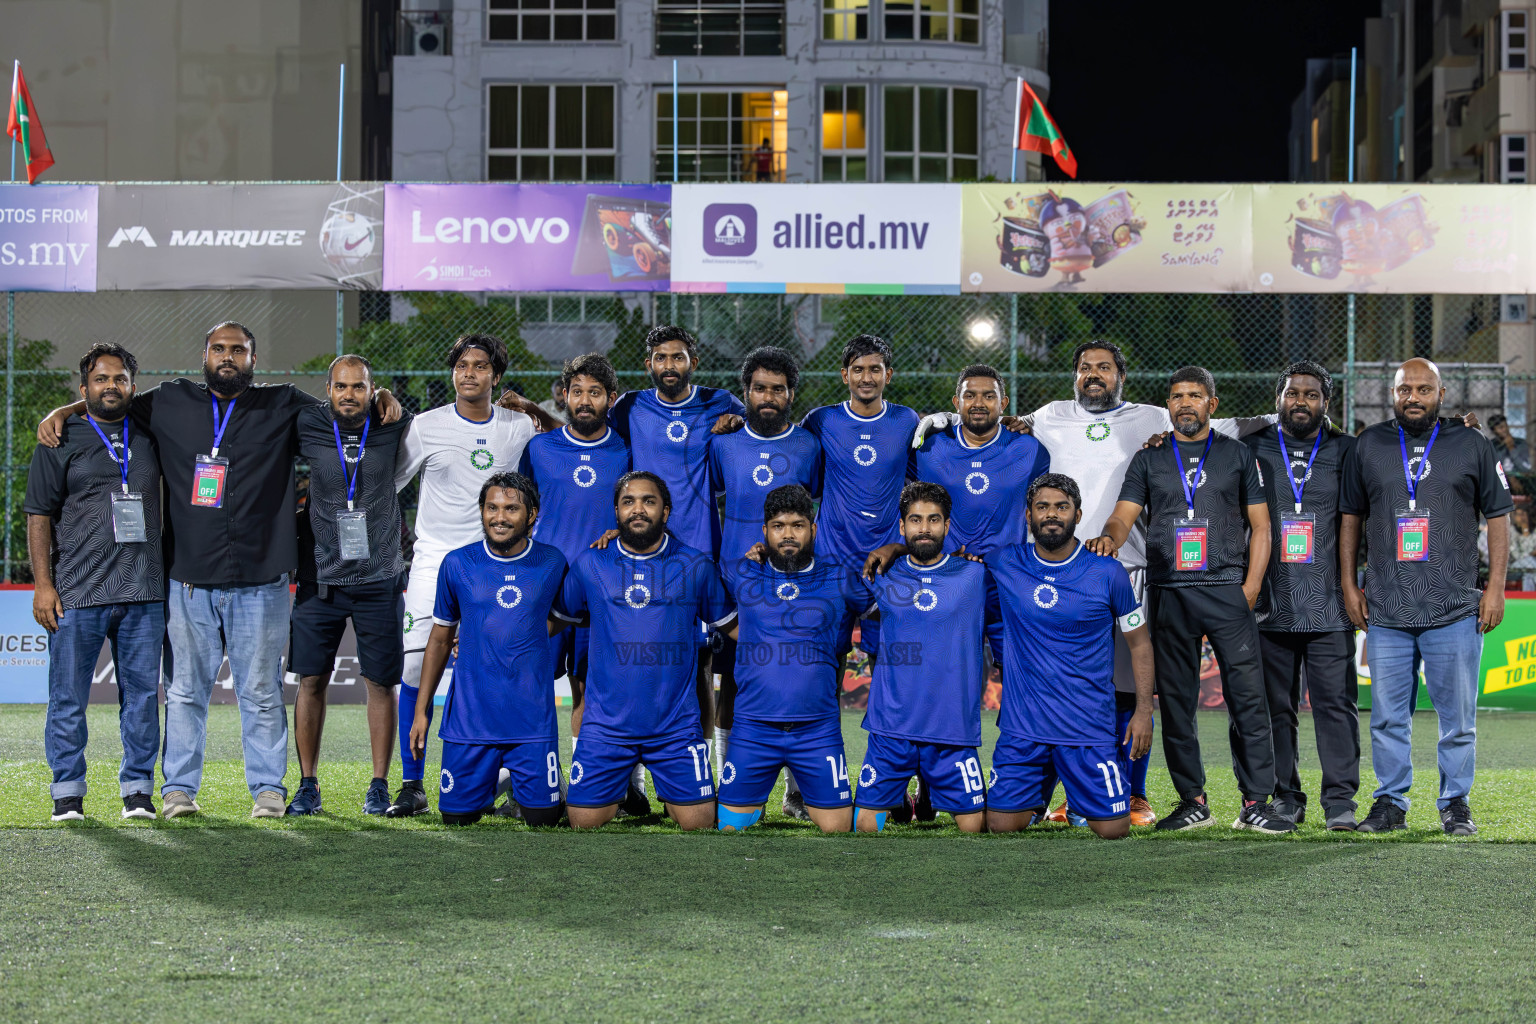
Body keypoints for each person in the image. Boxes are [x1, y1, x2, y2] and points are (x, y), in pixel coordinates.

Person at [37, 322, 402, 819]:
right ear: (204, 355)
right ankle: (178, 790)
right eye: (219, 349)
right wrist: (65, 409)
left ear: (254, 358)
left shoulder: (285, 404)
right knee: (185, 692)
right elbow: (111, 401)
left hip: (263, 579)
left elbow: (345, 410)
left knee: (262, 691)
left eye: (239, 350)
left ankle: (268, 790)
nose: (228, 357)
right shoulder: (166, 402)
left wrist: (384, 398)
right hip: (189, 579)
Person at [717, 333, 919, 820]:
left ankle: (900, 783)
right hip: (816, 566)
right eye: (858, 369)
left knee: (894, 671)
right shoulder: (820, 422)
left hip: (884, 569)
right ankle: (782, 788)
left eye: (876, 369)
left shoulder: (908, 421)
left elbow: (922, 479)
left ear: (888, 375)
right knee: (802, 670)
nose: (867, 377)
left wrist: (899, 542)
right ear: (843, 375)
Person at [1093, 365, 1290, 833]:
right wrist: (1108, 538)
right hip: (1169, 590)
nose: (1185, 403)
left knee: (1247, 698)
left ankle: (1255, 801)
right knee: (1178, 700)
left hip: (1226, 589)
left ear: (1211, 405)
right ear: (1169, 405)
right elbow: (1123, 516)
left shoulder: (1237, 455)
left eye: (1195, 395)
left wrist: (1251, 586)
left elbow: (1261, 526)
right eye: (1177, 396)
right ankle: (1192, 800)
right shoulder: (1150, 458)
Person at [1340, 357, 1512, 835]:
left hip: (1455, 606)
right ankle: (1390, 803)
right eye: (1404, 390)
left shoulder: (1471, 443)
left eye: (1422, 389)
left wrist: (1494, 588)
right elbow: (1350, 516)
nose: (1412, 397)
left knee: (1457, 720)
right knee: (1388, 718)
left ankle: (1455, 803)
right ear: (1392, 395)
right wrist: (1349, 583)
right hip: (1388, 608)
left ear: (1441, 394)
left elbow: (1498, 516)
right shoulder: (1369, 444)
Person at [389, 333, 551, 817]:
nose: (469, 374)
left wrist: (535, 411)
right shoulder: (425, 426)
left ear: (495, 376)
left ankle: (506, 773)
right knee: (416, 668)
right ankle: (412, 783)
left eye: (480, 366)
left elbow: (559, 458)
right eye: (462, 365)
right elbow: (389, 483)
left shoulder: (518, 426)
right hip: (437, 558)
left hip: (497, 563)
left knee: (501, 664)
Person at [26, 343, 164, 822]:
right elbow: (39, 515)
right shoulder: (59, 439)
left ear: (132, 385)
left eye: (120, 378)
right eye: (100, 379)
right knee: (68, 697)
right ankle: (67, 793)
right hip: (77, 592)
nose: (111, 386)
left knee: (143, 699)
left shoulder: (151, 430)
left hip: (144, 590)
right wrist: (43, 586)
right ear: (84, 388)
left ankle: (138, 791)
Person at [609, 325, 744, 808]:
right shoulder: (628, 407)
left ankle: (702, 767)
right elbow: (597, 446)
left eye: (679, 357)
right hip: (641, 551)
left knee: (701, 666)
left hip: (702, 556)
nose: (670, 365)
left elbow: (757, 436)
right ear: (649, 363)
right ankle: (630, 783)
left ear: (693, 361)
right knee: (634, 658)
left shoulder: (722, 402)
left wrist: (733, 423)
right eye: (661, 357)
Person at [560, 472, 736, 830]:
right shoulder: (591, 563)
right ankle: (621, 788)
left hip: (675, 729)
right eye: (629, 502)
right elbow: (555, 619)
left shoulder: (695, 566)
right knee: (582, 823)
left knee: (699, 824)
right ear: (616, 512)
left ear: (666, 511)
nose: (638, 509)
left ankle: (662, 792)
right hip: (606, 729)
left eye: (648, 501)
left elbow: (734, 628)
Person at [985, 474, 1155, 839]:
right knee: (1000, 826)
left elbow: (1140, 643)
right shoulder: (1004, 562)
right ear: (1027, 515)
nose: (1051, 514)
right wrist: (898, 549)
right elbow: (942, 557)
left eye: (1061, 507)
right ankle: (1036, 799)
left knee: (1112, 831)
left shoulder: (1107, 571)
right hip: (1023, 727)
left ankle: (1078, 797)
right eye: (1042, 507)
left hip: (1086, 727)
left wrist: (1143, 712)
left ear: (1078, 515)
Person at [410, 473, 576, 827]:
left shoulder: (552, 562)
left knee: (544, 820)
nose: (499, 517)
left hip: (531, 719)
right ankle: (497, 781)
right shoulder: (458, 563)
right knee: (456, 819)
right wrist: (421, 711)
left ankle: (518, 778)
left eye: (511, 508)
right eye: (492, 508)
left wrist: (521, 632)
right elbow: (440, 638)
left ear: (532, 515)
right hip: (470, 720)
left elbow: (566, 615)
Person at [287, 354, 414, 817]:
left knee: (380, 683)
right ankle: (307, 783)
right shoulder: (309, 424)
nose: (349, 395)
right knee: (311, 681)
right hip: (319, 579)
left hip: (379, 578)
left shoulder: (393, 422)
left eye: (359, 387)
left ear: (371, 388)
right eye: (341, 387)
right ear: (328, 389)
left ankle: (379, 784)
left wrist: (389, 399)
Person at [1245, 361, 1361, 831]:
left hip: (1330, 604)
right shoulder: (1250, 449)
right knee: (1276, 708)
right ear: (1279, 399)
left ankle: (1340, 802)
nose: (1300, 402)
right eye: (1293, 394)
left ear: (1325, 403)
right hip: (1269, 604)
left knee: (1337, 707)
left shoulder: (1348, 449)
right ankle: (1286, 796)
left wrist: (1455, 426)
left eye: (1311, 395)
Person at [715, 485, 869, 833]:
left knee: (838, 827)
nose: (788, 534)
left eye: (798, 525)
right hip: (754, 728)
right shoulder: (741, 574)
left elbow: (883, 610)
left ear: (812, 530)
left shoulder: (838, 577)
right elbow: (709, 599)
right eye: (779, 525)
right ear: (764, 532)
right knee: (729, 828)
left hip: (817, 729)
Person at [707, 347, 822, 783]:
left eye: (778, 389)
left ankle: (798, 790)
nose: (768, 397)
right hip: (738, 584)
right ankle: (726, 780)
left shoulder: (810, 445)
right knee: (732, 684)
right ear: (746, 393)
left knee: (804, 678)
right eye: (759, 388)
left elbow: (822, 507)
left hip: (798, 583)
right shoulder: (723, 443)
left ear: (792, 393)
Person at [854, 482, 996, 833]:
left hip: (952, 733)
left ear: (947, 526)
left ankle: (927, 795)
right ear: (902, 528)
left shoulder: (975, 575)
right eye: (915, 520)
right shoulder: (883, 574)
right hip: (891, 731)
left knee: (974, 829)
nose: (925, 528)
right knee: (863, 829)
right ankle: (900, 797)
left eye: (934, 520)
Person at [517, 354, 631, 768]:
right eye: (577, 391)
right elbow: (518, 512)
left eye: (595, 393)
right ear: (564, 396)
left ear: (611, 399)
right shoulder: (540, 448)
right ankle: (530, 777)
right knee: (533, 684)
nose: (585, 400)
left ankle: (588, 777)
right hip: (545, 584)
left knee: (590, 687)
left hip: (602, 586)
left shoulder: (625, 451)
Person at [1487, 413, 1531, 494]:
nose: (1505, 430)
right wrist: (1510, 477)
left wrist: (1511, 449)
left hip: (1521, 479)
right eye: (1500, 428)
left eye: (1506, 426)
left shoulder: (1520, 443)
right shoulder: (1491, 446)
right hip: (1500, 481)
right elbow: (1492, 468)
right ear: (1494, 431)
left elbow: (1525, 468)